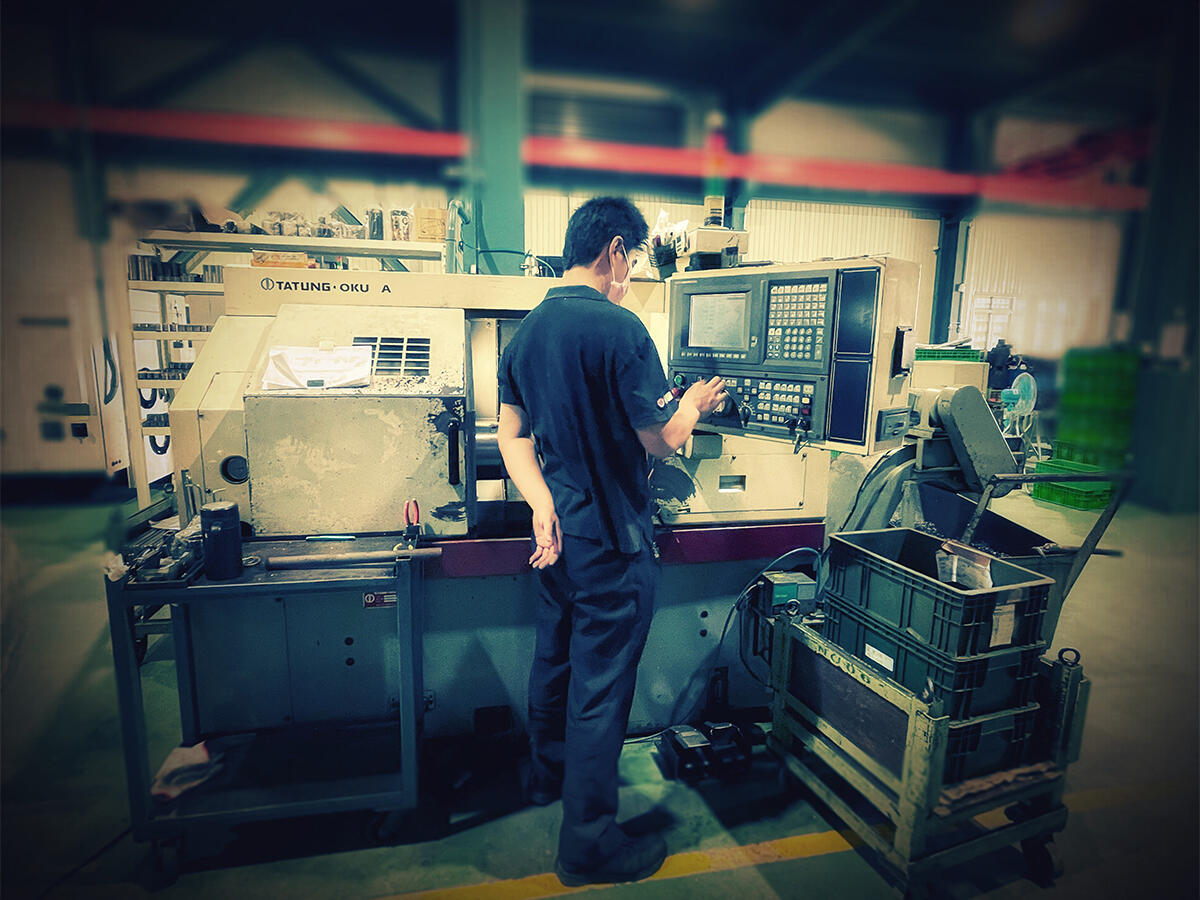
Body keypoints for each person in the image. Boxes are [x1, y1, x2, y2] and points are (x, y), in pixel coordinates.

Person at [496, 197, 727, 887]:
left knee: (556, 664)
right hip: (615, 544)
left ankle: (546, 779)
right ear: (617, 251)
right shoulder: (623, 331)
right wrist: (692, 405)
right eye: (635, 259)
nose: (632, 272)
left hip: (558, 538)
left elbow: (514, 438)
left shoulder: (525, 335)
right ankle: (589, 845)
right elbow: (658, 439)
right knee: (600, 693)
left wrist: (540, 506)